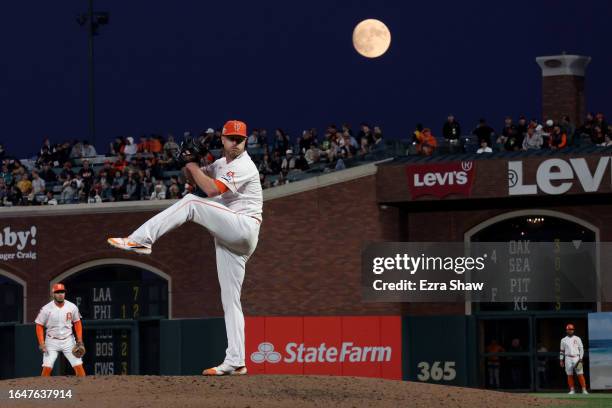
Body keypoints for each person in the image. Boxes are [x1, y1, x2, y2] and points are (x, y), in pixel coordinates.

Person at [107, 120, 262, 376]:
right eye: (231, 138)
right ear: (222, 139)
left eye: (240, 139)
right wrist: (189, 160)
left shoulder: (244, 165)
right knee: (230, 301)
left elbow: (210, 189)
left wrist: (192, 163)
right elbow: (192, 177)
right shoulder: (221, 164)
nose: (235, 143)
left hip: (244, 227)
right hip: (229, 238)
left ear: (246, 141)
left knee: (191, 202)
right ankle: (236, 360)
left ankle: (141, 239)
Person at [35, 283, 86, 377]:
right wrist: (42, 343)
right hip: (51, 341)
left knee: (78, 366)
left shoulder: (72, 307)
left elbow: (77, 322)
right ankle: (43, 389)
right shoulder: (46, 309)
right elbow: (39, 325)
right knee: (47, 367)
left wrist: (79, 340)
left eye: (62, 292)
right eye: (57, 292)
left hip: (68, 340)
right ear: (53, 294)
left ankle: (84, 389)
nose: (60, 294)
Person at [560, 323, 588, 394]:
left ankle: (584, 389)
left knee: (580, 374)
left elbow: (581, 349)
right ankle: (572, 390)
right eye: (569, 329)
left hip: (577, 358)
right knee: (569, 374)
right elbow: (562, 351)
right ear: (567, 330)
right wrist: (561, 360)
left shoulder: (577, 338)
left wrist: (581, 359)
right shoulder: (563, 340)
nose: (571, 330)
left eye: (572, 329)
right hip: (567, 358)